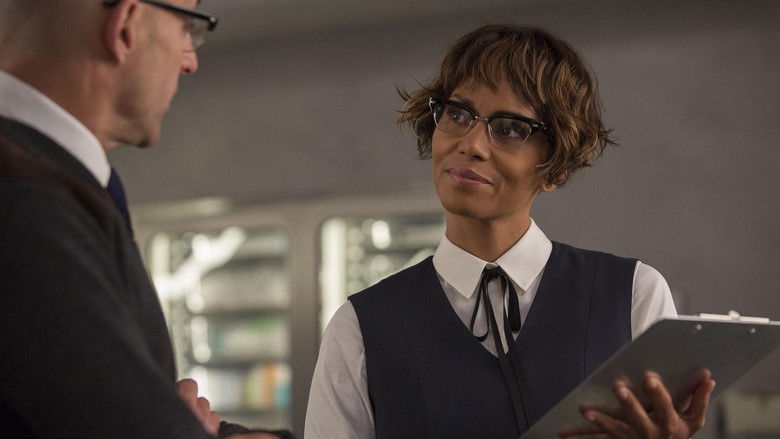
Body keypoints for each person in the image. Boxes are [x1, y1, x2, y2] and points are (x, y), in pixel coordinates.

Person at [305, 24, 715, 438]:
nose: (471, 144)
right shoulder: (359, 328)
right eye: (457, 114)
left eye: (510, 128)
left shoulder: (632, 296)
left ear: (556, 168)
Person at [0, 1, 289, 438]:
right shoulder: (24, 202)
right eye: (186, 27)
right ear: (126, 26)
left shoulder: (54, 180)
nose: (190, 62)